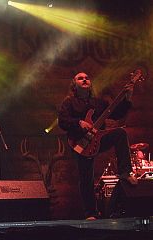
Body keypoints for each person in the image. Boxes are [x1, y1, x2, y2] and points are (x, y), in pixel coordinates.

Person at [57, 72, 138, 220]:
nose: (84, 79)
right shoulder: (68, 102)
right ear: (74, 84)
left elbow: (117, 113)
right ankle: (91, 213)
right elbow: (62, 121)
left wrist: (128, 97)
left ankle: (125, 172)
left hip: (99, 139)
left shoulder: (98, 103)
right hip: (80, 143)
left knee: (120, 133)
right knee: (86, 177)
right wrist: (79, 123)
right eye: (80, 78)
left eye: (87, 77)